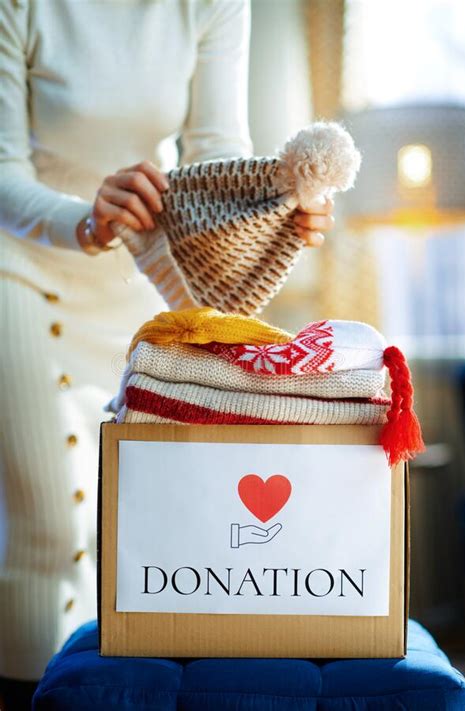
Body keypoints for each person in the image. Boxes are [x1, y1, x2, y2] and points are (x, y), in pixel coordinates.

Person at [0, 0, 334, 706]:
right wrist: (85, 219)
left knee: (141, 526)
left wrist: (274, 208)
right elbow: (1, 165)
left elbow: (214, 152)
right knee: (46, 529)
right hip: (22, 265)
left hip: (142, 271)